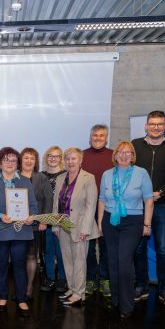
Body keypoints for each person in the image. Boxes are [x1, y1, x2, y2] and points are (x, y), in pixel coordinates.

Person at [132, 110, 165, 308]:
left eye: (160, 124)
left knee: (163, 248)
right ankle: (141, 285)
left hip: (163, 204)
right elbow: (130, 171)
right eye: (152, 124)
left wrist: (160, 192)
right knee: (138, 247)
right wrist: (142, 193)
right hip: (138, 205)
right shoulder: (136, 144)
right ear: (146, 126)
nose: (156, 127)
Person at [98, 141, 154, 319]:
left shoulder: (141, 173)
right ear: (115, 155)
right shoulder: (107, 174)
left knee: (124, 260)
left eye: (128, 152)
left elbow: (149, 200)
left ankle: (126, 304)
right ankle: (116, 298)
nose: (124, 155)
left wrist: (147, 224)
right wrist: (99, 222)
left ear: (133, 156)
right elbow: (102, 199)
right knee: (112, 261)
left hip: (133, 222)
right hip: (110, 221)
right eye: (120, 152)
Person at [0, 147, 37, 316]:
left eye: (13, 160)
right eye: (6, 160)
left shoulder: (25, 181)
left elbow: (33, 204)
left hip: (21, 229)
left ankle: (21, 299)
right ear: (0, 162)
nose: (10, 163)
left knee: (19, 264)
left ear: (17, 163)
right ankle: (2, 296)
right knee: (1, 264)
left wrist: (31, 216)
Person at [53, 148, 100, 307]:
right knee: (67, 260)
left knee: (79, 261)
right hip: (63, 225)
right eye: (68, 159)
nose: (70, 162)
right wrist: (55, 225)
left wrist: (86, 228)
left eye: (74, 159)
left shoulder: (88, 178)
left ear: (80, 161)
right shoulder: (60, 178)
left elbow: (91, 205)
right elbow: (56, 204)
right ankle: (72, 288)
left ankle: (79, 294)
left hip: (80, 227)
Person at [81, 125, 113, 298]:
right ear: (90, 137)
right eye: (95, 135)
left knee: (106, 245)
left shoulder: (114, 155)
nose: (98, 138)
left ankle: (105, 278)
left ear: (106, 138)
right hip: (87, 207)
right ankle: (91, 278)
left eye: (101, 135)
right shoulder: (82, 156)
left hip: (108, 207)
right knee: (89, 245)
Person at [19, 147, 53, 301]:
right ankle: (20, 287)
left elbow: (48, 200)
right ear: (21, 160)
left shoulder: (42, 178)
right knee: (18, 256)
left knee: (32, 256)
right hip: (16, 224)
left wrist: (44, 220)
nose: (29, 161)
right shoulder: (14, 176)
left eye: (32, 158)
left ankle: (29, 287)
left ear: (36, 161)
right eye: (26, 157)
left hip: (35, 225)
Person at [40, 146, 67, 293]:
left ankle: (62, 279)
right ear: (46, 158)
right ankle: (49, 278)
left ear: (61, 159)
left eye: (56, 156)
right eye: (50, 155)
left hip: (60, 219)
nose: (53, 158)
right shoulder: (41, 175)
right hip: (45, 219)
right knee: (48, 251)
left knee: (61, 251)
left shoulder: (66, 175)